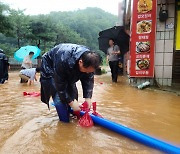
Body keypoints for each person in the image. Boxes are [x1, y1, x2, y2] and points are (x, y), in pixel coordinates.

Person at [40, 43, 101, 123]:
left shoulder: (90, 61)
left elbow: (88, 79)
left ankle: (70, 112)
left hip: (69, 65)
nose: (87, 73)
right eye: (86, 71)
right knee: (58, 96)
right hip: (50, 66)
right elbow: (60, 86)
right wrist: (71, 102)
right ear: (80, 62)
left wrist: (88, 97)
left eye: (90, 72)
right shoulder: (63, 60)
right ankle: (64, 121)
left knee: (72, 92)